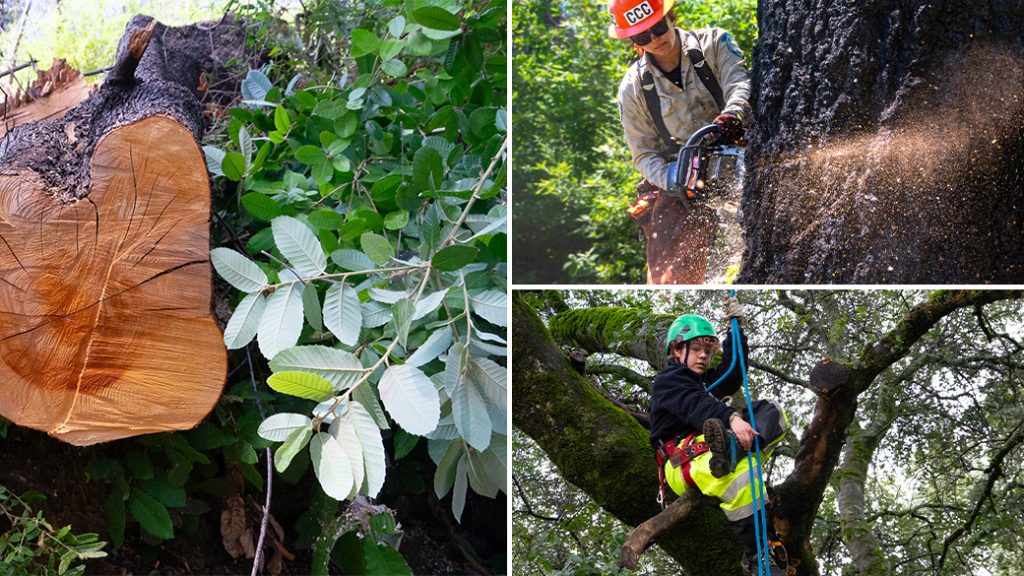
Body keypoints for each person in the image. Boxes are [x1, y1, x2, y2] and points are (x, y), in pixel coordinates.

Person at [609, 0, 751, 284]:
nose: (655, 39)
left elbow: (740, 83)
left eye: (658, 28)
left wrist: (734, 112)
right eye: (642, 36)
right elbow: (644, 155)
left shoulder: (714, 42)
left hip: (740, 147)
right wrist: (675, 179)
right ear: (633, 40)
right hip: (683, 173)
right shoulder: (633, 87)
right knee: (667, 271)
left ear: (670, 17)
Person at [649, 298, 788, 576]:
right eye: (697, 349)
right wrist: (733, 418)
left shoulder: (705, 384)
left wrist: (736, 331)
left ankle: (732, 448)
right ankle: (758, 554)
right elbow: (696, 405)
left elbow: (733, 372)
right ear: (677, 350)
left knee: (773, 412)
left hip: (712, 449)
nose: (704, 356)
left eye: (708, 352)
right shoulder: (669, 381)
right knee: (742, 477)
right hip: (682, 459)